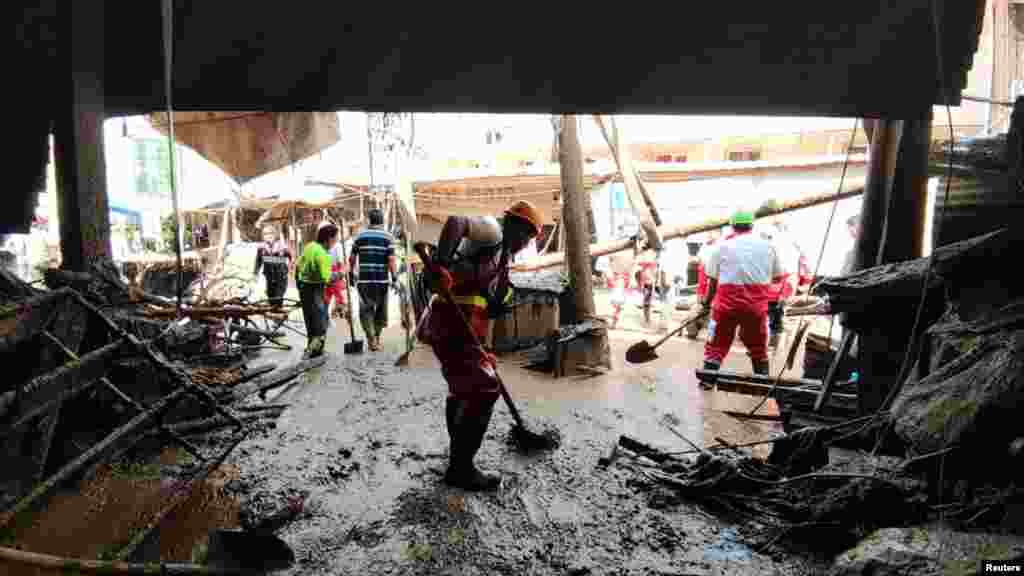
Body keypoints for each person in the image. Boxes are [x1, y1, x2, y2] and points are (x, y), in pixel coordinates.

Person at [419, 200, 542, 491]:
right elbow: (455, 222)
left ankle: (457, 457)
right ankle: (461, 468)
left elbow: (482, 306)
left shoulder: (502, 261)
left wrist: (484, 347)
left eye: (530, 239)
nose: (525, 244)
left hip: (462, 329)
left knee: (462, 390)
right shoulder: (491, 231)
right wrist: (442, 265)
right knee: (485, 389)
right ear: (512, 224)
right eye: (526, 236)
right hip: (450, 322)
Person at [701, 209, 785, 381]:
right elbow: (777, 278)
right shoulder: (768, 247)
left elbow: (713, 282)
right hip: (756, 307)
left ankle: (707, 382)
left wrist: (706, 303)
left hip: (725, 306)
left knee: (716, 344)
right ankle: (762, 383)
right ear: (752, 226)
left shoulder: (721, 247)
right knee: (758, 347)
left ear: (732, 226)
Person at [348, 208, 397, 352]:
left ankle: (371, 339)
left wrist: (350, 273)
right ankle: (376, 338)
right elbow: (391, 259)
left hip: (364, 281)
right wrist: (394, 277)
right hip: (382, 281)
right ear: (382, 221)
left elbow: (352, 258)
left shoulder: (360, 236)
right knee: (381, 311)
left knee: (366, 311)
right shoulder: (388, 237)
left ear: (369, 221)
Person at [295, 223, 340, 358]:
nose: (336, 241)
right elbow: (327, 279)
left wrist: (299, 284)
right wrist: (341, 274)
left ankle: (315, 350)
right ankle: (311, 352)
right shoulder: (324, 256)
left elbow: (297, 266)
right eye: (335, 238)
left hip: (303, 287)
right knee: (320, 326)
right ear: (329, 239)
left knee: (310, 321)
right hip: (315, 289)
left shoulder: (310, 247)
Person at [687, 228, 722, 339]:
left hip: (714, 286)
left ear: (718, 234)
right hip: (703, 285)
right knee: (698, 310)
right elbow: (701, 267)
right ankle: (693, 331)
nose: (709, 234)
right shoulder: (705, 247)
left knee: (713, 315)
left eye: (712, 232)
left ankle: (711, 337)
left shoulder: (721, 247)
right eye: (708, 232)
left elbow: (714, 275)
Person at [253, 226, 292, 309]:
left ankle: (279, 314)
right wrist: (255, 273)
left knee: (278, 297)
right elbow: (258, 261)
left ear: (274, 235)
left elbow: (291, 257)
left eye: (270, 233)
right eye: (265, 234)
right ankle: (274, 315)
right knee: (270, 297)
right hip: (269, 277)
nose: (268, 236)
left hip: (281, 277)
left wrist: (291, 268)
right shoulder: (262, 248)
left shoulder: (282, 246)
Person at [325, 234, 348, 321]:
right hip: (332, 271)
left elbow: (340, 262)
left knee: (333, 294)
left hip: (332, 271)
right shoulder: (336, 246)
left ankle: (337, 309)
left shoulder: (335, 246)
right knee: (335, 294)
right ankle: (338, 309)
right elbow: (340, 262)